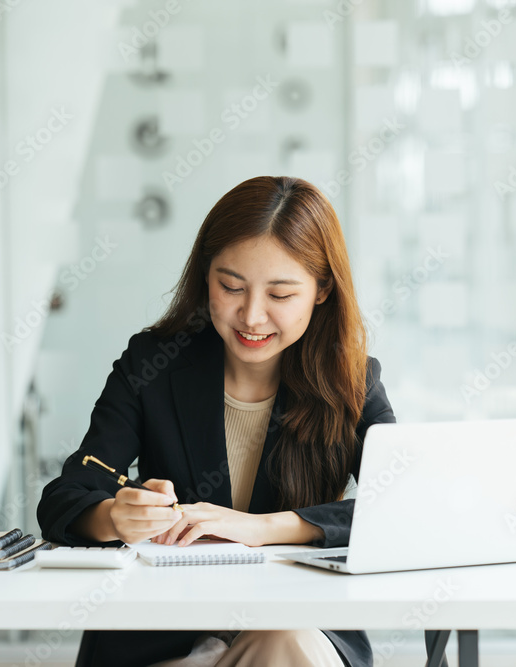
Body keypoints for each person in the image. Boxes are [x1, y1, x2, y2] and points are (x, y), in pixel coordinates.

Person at [37, 175, 396, 667]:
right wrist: (115, 516)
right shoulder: (153, 364)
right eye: (231, 287)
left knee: (282, 639)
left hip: (294, 627)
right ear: (206, 277)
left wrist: (260, 528)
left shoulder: (351, 381)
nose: (251, 316)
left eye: (280, 295)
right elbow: (66, 495)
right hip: (165, 632)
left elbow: (401, 506)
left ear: (322, 290)